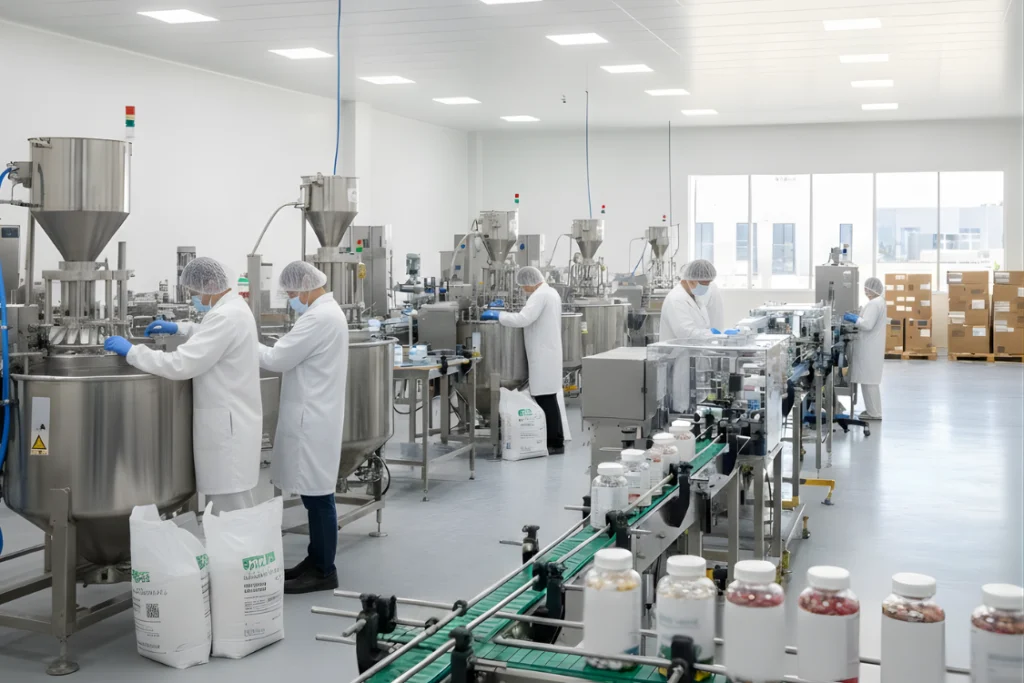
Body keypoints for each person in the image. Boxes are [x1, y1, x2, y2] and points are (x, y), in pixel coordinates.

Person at [103, 257, 262, 513]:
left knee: (231, 512)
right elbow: (210, 336)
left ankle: (237, 554)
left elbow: (181, 364)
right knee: (231, 509)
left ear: (210, 284)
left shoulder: (225, 316)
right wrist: (180, 327)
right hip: (232, 422)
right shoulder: (232, 309)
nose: (193, 297)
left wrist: (133, 352)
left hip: (227, 429)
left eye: (195, 291)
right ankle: (235, 552)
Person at [256, 261, 348, 594]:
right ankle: (315, 560)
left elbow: (278, 359)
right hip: (317, 414)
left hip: (314, 417)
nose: (292, 299)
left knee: (319, 496)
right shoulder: (326, 313)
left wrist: (240, 343)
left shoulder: (319, 317)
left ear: (308, 287)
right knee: (315, 495)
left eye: (293, 293)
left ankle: (324, 570)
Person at [483, 266, 566, 454]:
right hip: (547, 352)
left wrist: (499, 315)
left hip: (543, 353)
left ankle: (555, 443)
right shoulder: (551, 292)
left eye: (522, 286)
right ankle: (555, 440)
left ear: (529, 282)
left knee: (546, 398)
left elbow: (523, 318)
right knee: (548, 397)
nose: (522, 290)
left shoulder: (539, 295)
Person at [844, 276, 886, 421]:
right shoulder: (878, 302)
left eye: (867, 288)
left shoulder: (874, 304)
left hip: (869, 347)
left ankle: (875, 413)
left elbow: (867, 325)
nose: (865, 290)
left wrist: (854, 318)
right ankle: (872, 411)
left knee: (869, 382)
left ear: (872, 289)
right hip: (871, 346)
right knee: (868, 381)